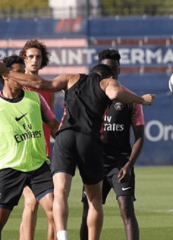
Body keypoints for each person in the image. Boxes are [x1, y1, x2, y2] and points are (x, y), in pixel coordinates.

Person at [0, 62, 155, 240]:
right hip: (89, 139)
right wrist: (141, 99)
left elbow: (42, 84)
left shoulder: (71, 78)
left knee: (60, 191)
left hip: (64, 136)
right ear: (108, 77)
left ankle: (63, 236)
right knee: (94, 197)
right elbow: (115, 93)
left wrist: (6, 72)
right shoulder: (107, 83)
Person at [80, 49, 143, 240]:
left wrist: (128, 165)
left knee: (126, 209)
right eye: (107, 69)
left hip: (119, 164)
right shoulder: (89, 98)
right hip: (95, 162)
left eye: (114, 69)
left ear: (119, 70)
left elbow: (140, 137)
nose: (111, 73)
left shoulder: (130, 99)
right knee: (88, 210)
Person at [0, 55, 59, 240]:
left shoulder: (36, 98)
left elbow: (55, 127)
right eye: (18, 74)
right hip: (9, 168)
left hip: (38, 167)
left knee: (56, 214)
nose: (22, 78)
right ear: (5, 76)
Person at [19, 39, 58, 240]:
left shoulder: (48, 89)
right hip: (20, 156)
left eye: (38, 57)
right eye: (30, 57)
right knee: (31, 202)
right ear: (23, 60)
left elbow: (50, 124)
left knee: (52, 208)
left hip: (43, 155)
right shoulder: (15, 86)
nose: (34, 61)